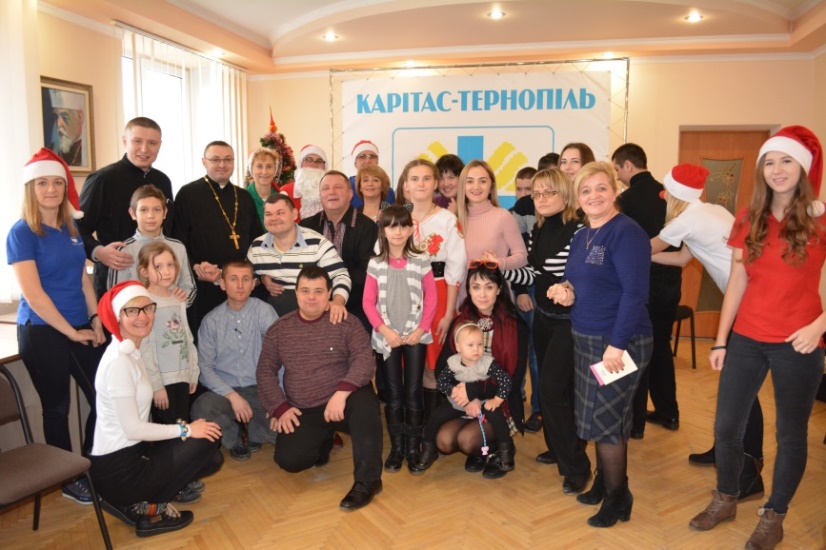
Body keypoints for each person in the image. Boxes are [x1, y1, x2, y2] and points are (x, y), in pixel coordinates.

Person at [689, 126, 826, 550]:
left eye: (787, 160)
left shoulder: (820, 218)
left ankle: (774, 516)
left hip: (799, 341)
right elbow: (737, 281)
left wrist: (819, 326)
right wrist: (721, 340)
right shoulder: (749, 217)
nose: (777, 169)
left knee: (791, 434)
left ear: (803, 167)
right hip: (747, 338)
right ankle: (726, 497)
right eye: (770, 162)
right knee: (726, 426)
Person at [651, 163, 766, 502]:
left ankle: (749, 474)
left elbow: (646, 248)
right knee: (735, 388)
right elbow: (681, 259)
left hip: (747, 306)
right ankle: (724, 450)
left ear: (674, 197)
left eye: (667, 196)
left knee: (743, 390)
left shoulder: (685, 221)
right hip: (749, 300)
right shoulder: (710, 211)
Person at [548, 161, 653, 528]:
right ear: (577, 198)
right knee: (594, 415)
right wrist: (565, 289)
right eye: (585, 190)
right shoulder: (582, 236)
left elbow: (635, 294)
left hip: (619, 343)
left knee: (608, 421)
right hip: (586, 337)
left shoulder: (627, 233)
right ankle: (605, 481)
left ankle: (617, 496)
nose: (593, 196)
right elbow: (577, 280)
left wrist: (617, 345)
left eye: (601, 188)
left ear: (615, 191)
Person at [7, 148, 106, 504]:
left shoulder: (71, 228)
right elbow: (34, 296)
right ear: (30, 188)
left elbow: (82, 279)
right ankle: (69, 479)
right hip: (42, 330)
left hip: (80, 325)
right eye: (42, 183)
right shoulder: (22, 233)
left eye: (57, 182)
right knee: (57, 407)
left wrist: (95, 319)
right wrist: (71, 332)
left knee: (104, 395)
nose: (51, 189)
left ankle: (92, 463)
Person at [89, 281, 223, 537]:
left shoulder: (131, 352)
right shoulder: (119, 362)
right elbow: (132, 429)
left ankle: (137, 501)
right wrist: (186, 430)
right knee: (205, 440)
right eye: (132, 311)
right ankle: (149, 512)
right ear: (118, 317)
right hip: (118, 471)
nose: (143, 316)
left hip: (133, 454)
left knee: (212, 456)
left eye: (147, 308)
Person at [257, 266, 383, 510]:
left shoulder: (346, 321)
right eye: (305, 291)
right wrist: (279, 408)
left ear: (329, 293)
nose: (311, 297)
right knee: (289, 461)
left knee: (366, 406)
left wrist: (342, 393)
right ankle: (325, 439)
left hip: (344, 401)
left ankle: (368, 481)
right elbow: (264, 372)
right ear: (296, 293)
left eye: (318, 291)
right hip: (304, 407)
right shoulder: (280, 329)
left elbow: (364, 360)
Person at [504, 168, 592, 492]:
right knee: (556, 391)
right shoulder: (538, 229)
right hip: (544, 318)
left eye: (548, 193)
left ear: (565, 195)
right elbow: (534, 275)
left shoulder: (579, 230)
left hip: (571, 322)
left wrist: (561, 286)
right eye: (536, 194)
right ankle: (559, 447)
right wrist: (500, 267)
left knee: (552, 391)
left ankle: (577, 467)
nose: (540, 199)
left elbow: (577, 278)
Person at [422, 261, 528, 479]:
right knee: (444, 441)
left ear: (499, 289)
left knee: (467, 440)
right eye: (476, 287)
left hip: (498, 402)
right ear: (468, 290)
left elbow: (514, 379)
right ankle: (481, 450)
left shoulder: (516, 325)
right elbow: (443, 367)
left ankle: (497, 449)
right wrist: (464, 396)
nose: (482, 294)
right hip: (463, 400)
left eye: (489, 287)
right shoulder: (461, 321)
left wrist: (475, 393)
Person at [612, 143, 682, 438]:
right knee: (661, 348)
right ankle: (668, 412)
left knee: (635, 350)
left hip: (638, 286)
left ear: (628, 165)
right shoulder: (670, 196)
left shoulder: (625, 200)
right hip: (670, 284)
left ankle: (635, 422)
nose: (618, 177)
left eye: (617, 170)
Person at [363, 205, 437, 472]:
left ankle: (413, 447)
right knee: (394, 393)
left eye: (403, 225)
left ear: (410, 229)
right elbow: (368, 302)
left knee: (413, 391)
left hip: (415, 335)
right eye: (391, 226)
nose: (398, 231)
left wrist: (421, 329)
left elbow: (431, 298)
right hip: (388, 337)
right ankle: (397, 448)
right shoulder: (375, 263)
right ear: (383, 230)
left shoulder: (421, 260)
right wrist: (384, 330)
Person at [172, 141, 263, 335]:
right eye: (215, 160)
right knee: (207, 336)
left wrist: (255, 274)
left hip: (239, 284)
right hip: (204, 284)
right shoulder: (188, 194)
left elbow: (257, 241)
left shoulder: (243, 197)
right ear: (204, 162)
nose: (222, 164)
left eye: (228, 159)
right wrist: (195, 267)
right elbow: (178, 241)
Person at [192, 260, 278, 461]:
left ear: (253, 284)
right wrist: (232, 396)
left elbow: (280, 355)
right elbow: (205, 368)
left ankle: (252, 431)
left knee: (286, 428)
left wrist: (277, 400)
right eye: (233, 279)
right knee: (201, 408)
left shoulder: (265, 312)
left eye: (245, 279)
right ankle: (235, 437)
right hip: (225, 393)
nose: (240, 285)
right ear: (222, 284)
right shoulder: (211, 320)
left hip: (260, 389)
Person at [79, 117, 174, 299]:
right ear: (125, 141)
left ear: (159, 146)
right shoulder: (103, 179)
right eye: (137, 141)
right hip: (117, 277)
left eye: (152, 143)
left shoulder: (163, 181)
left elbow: (169, 229)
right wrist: (98, 251)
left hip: (159, 281)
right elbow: (77, 228)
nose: (144, 149)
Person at [403, 159, 466, 418]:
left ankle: (431, 426)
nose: (421, 184)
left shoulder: (447, 220)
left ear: (436, 183)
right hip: (403, 296)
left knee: (432, 364)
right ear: (406, 185)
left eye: (426, 178)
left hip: (437, 295)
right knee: (407, 364)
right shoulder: (396, 218)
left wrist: (449, 312)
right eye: (415, 179)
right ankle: (412, 425)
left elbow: (455, 268)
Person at [412, 322, 513, 475]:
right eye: (470, 345)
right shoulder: (453, 362)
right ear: (458, 347)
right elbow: (441, 382)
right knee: (435, 416)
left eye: (480, 344)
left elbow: (505, 380)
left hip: (484, 401)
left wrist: (497, 400)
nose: (476, 349)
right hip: (458, 402)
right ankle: (428, 449)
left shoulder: (487, 363)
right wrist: (453, 391)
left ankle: (505, 450)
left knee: (497, 417)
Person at [248, 193, 351, 318]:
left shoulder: (317, 244)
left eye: (280, 213)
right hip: (271, 319)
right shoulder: (257, 247)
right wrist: (261, 279)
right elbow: (246, 279)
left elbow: (340, 275)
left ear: (294, 214)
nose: (274, 218)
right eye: (268, 214)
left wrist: (338, 302)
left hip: (312, 317)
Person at [300, 170, 378, 330]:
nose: (331, 192)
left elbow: (368, 271)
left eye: (338, 187)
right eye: (326, 188)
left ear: (350, 194)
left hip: (355, 307)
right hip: (313, 305)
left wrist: (336, 291)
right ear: (320, 195)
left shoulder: (367, 227)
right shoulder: (306, 227)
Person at [108, 184, 195, 307]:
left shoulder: (178, 247)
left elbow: (189, 288)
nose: (150, 215)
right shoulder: (124, 250)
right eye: (144, 210)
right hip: (139, 315)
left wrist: (181, 298)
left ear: (165, 213)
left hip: (173, 314)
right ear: (133, 213)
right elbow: (115, 295)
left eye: (157, 210)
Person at [456, 159, 528, 306]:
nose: (476, 187)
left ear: (491, 186)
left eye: (482, 181)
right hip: (463, 303)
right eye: (470, 181)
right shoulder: (454, 220)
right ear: (463, 186)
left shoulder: (502, 216)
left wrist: (499, 263)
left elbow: (523, 256)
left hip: (496, 304)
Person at [508, 166, 541, 432]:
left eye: (529, 189)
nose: (525, 194)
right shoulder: (517, 211)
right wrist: (520, 290)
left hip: (547, 291)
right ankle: (515, 397)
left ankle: (539, 409)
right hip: (524, 289)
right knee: (519, 349)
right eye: (519, 189)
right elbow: (513, 253)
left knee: (537, 354)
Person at [280, 144, 327, 220]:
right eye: (309, 160)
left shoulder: (330, 193)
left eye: (319, 161)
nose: (314, 165)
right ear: (301, 164)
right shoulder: (286, 192)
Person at [348, 140, 395, 208]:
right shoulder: (346, 186)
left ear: (377, 161)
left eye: (372, 156)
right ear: (355, 162)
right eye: (362, 156)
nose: (368, 161)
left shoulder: (388, 191)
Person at [46, 89, 85, 167]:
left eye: (65, 117)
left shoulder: (85, 150)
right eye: (56, 117)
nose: (58, 124)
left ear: (80, 117)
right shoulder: (50, 151)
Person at [245, 147, 283, 226]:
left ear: (275, 170)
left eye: (269, 166)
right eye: (259, 166)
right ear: (251, 170)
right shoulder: (243, 198)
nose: (264, 172)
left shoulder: (281, 198)